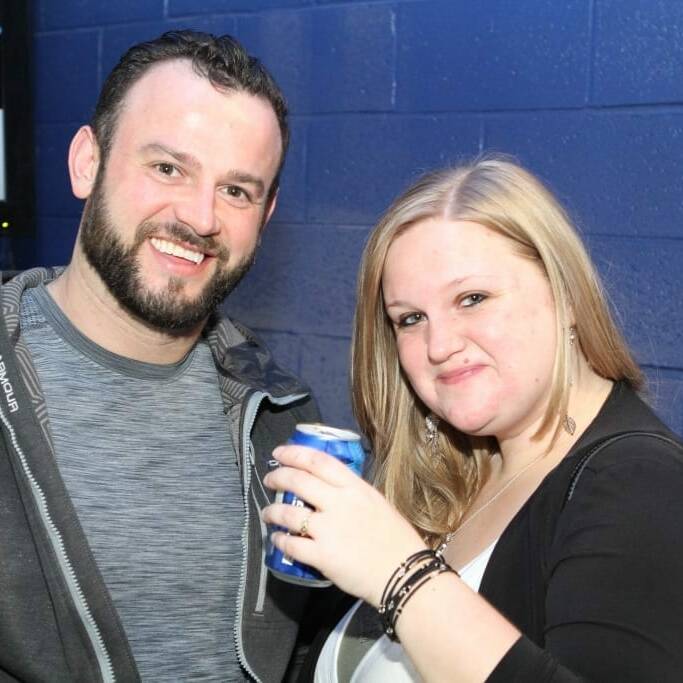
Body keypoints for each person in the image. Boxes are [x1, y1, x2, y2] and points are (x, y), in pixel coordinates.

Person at [262, 156, 683, 682]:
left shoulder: (639, 479)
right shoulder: (451, 482)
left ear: (567, 295)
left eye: (473, 299)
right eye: (410, 319)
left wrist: (402, 577)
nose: (439, 345)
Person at [0, 30, 327, 682]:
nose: (199, 217)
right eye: (168, 168)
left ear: (265, 216)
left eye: (237, 190)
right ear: (86, 162)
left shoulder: (282, 419)